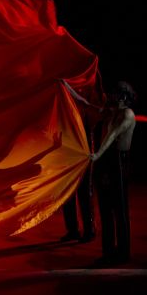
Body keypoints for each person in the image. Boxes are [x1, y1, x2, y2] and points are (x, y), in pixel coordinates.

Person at [90, 80, 136, 265]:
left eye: (116, 94)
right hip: (106, 161)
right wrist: (67, 88)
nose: (112, 97)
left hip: (118, 162)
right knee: (105, 208)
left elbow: (112, 135)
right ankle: (108, 251)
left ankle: (123, 253)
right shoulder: (111, 111)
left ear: (124, 96)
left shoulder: (127, 114)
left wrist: (97, 154)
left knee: (120, 209)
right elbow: (88, 105)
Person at [59, 79, 98, 243]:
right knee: (67, 192)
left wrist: (66, 87)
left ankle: (89, 229)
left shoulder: (88, 101)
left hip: (83, 151)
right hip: (69, 152)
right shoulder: (66, 108)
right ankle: (73, 229)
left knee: (84, 191)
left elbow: (86, 105)